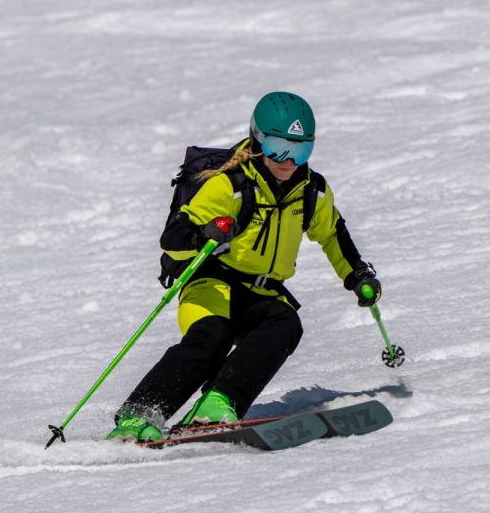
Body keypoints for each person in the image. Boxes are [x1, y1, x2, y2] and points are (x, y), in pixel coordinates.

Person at [107, 91, 382, 442]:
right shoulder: (230, 185)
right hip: (212, 282)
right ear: (257, 140)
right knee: (212, 335)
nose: (288, 161)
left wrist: (356, 273)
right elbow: (172, 239)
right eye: (278, 148)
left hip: (261, 291)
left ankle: (216, 405)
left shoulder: (312, 192)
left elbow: (332, 235)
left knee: (285, 324)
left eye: (300, 151)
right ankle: (137, 416)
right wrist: (204, 234)